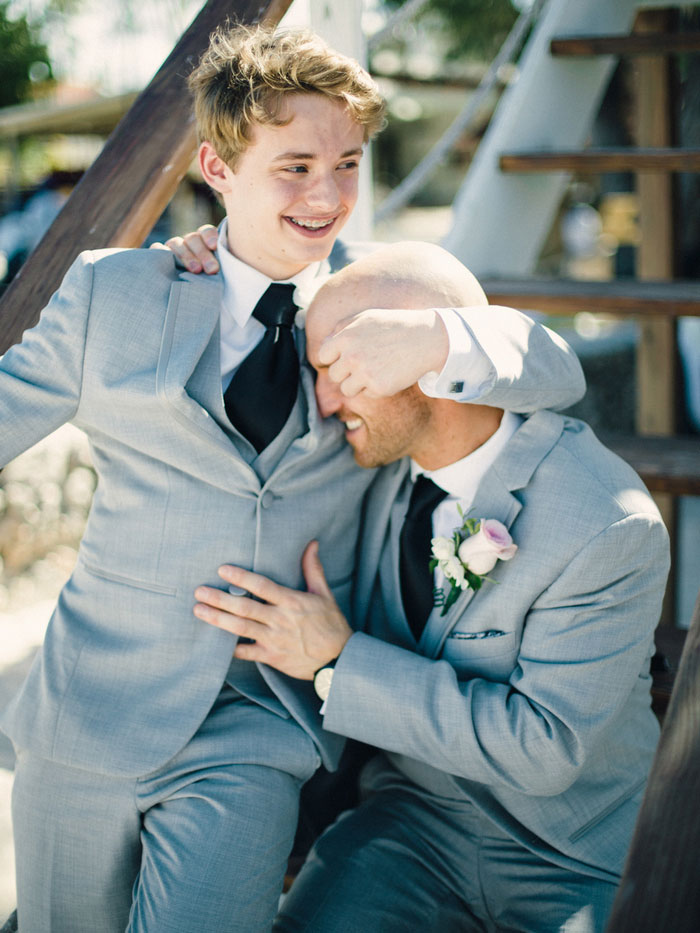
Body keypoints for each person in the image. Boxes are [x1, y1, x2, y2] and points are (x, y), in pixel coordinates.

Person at [0, 24, 585, 933]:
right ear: (217, 166)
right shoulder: (113, 293)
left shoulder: (379, 302)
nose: (328, 194)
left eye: (348, 163)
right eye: (296, 165)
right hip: (89, 711)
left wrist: (433, 338)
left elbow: (555, 370)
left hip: (260, 725)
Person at [193, 241, 670, 933]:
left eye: (338, 369)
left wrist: (338, 659)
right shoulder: (371, 464)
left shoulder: (607, 522)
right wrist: (202, 252)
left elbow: (543, 748)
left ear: (421, 362)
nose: (321, 402)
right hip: (409, 829)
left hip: (574, 855)